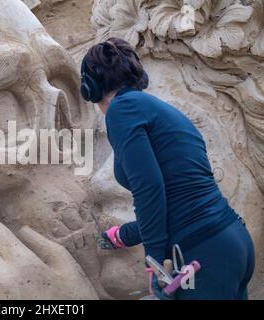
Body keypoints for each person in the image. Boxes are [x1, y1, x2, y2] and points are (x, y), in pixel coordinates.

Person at [80, 37, 255, 300]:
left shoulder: (121, 109)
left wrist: (155, 263)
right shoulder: (158, 109)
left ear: (89, 87)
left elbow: (149, 187)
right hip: (231, 242)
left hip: (203, 254)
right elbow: (177, 196)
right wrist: (126, 235)